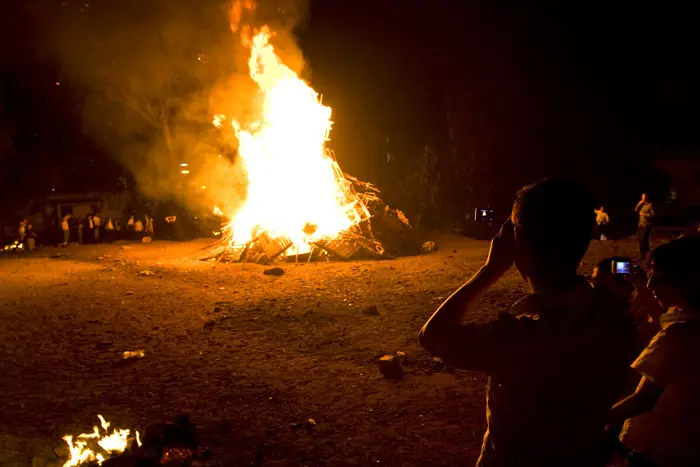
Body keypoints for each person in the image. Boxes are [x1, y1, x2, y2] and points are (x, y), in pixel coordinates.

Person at [419, 178, 638, 467]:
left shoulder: (518, 338)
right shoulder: (616, 322)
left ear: (516, 242)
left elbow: (432, 337)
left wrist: (490, 270)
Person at [607, 236, 700, 467]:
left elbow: (642, 399)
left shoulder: (679, 335)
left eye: (659, 277)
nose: (650, 285)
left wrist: (596, 422)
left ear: (687, 280)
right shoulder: (688, 323)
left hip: (655, 454)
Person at [635, 194, 655, 261]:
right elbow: (635, 210)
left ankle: (646, 255)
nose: (643, 199)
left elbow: (653, 215)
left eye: (644, 197)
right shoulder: (641, 205)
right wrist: (639, 203)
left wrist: (645, 214)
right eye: (642, 197)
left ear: (647, 198)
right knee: (641, 240)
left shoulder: (650, 205)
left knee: (643, 240)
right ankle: (643, 255)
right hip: (640, 225)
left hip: (646, 225)